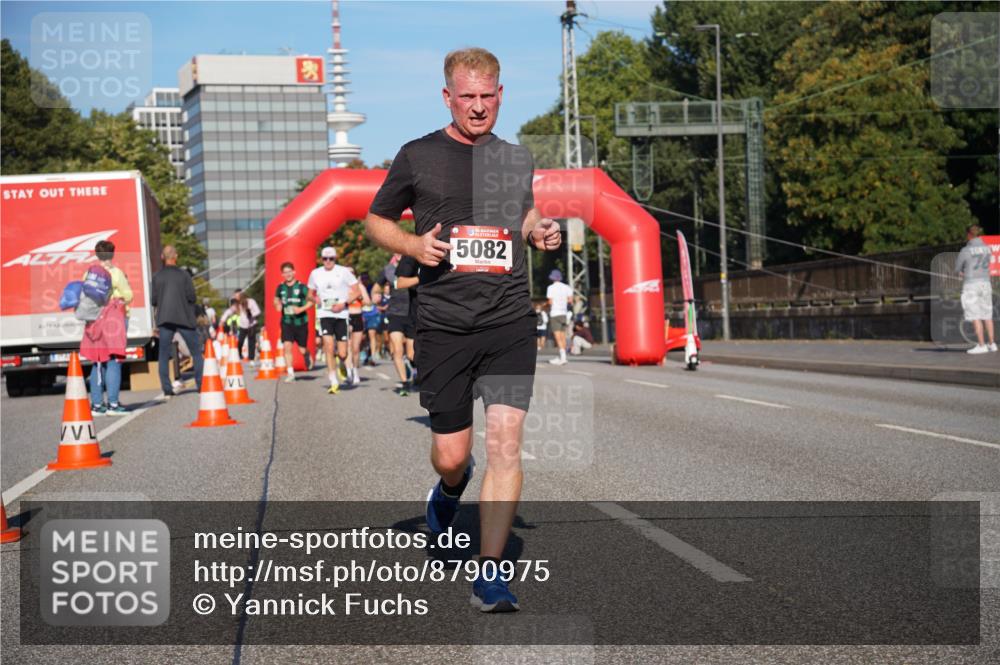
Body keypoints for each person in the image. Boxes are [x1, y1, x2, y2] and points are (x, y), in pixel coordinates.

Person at [364, 47, 561, 612]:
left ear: (501, 95)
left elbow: (520, 214)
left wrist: (537, 229)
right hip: (444, 324)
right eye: (467, 97)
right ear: (447, 96)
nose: (478, 107)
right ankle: (449, 491)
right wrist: (413, 244)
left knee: (505, 445)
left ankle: (490, 575)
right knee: (453, 455)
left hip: (507, 321)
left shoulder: (516, 158)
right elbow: (376, 220)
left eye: (488, 96)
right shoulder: (417, 155)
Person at [84, 240, 132, 415]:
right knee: (113, 360)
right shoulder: (116, 273)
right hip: (113, 319)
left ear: (97, 255)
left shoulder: (89, 273)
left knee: (97, 360)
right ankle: (113, 404)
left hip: (94, 319)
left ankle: (97, 405)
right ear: (112, 254)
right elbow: (128, 295)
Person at [307, 246, 362, 394]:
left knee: (343, 353)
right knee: (328, 347)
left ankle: (344, 364)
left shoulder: (343, 272)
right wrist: (315, 298)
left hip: (341, 315)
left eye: (331, 259)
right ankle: (333, 379)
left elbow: (357, 291)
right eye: (325, 259)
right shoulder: (315, 273)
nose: (328, 261)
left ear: (335, 259)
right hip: (324, 314)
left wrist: (343, 304)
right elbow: (309, 294)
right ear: (321, 259)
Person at [151, 245, 204, 398]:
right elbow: (192, 297)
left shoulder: (157, 276)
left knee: (163, 353)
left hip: (165, 318)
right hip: (184, 317)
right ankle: (200, 384)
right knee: (196, 352)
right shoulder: (184, 275)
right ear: (177, 256)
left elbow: (154, 300)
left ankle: (167, 388)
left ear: (162, 257)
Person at [955, 225, 997, 354]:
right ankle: (992, 344)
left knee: (975, 315)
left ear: (969, 235)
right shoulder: (987, 248)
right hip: (985, 283)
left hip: (971, 285)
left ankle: (981, 345)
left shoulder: (965, 250)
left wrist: (962, 273)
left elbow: (957, 269)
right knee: (987, 315)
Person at [274, 261, 314, 382]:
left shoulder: (302, 287)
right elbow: (276, 300)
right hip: (287, 322)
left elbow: (311, 302)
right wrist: (277, 305)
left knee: (302, 349)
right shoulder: (280, 287)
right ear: (282, 274)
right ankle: (290, 373)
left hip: (301, 322)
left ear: (294, 272)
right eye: (285, 272)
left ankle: (307, 355)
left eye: (289, 272)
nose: (288, 274)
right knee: (287, 346)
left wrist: (301, 309)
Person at [345, 271, 373, 386]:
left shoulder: (360, 286)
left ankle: (355, 371)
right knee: (347, 347)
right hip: (345, 317)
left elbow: (368, 302)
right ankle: (349, 372)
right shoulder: (342, 286)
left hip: (357, 317)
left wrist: (360, 297)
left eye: (351, 273)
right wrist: (352, 297)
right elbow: (341, 302)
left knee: (355, 348)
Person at [546, 269, 573, 365]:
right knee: (563, 336)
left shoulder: (550, 288)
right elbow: (570, 300)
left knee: (557, 336)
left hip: (555, 313)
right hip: (564, 313)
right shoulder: (567, 287)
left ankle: (562, 357)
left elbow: (550, 302)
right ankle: (562, 356)